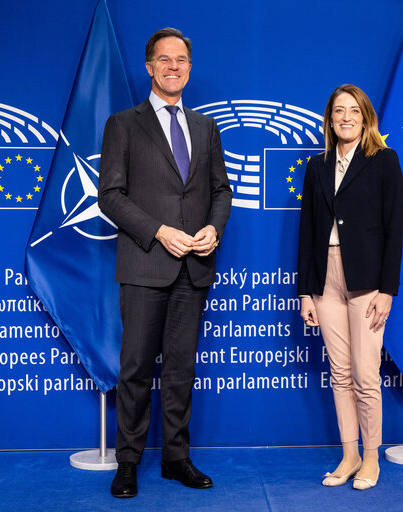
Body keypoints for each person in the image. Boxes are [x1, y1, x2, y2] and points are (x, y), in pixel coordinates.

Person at [98, 27, 232, 498]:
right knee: (135, 367)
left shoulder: (205, 126)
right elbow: (109, 197)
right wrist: (159, 231)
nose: (173, 67)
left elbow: (221, 190)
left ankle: (176, 458)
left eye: (181, 60)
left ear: (189, 69)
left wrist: (213, 228)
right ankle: (128, 462)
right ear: (150, 67)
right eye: (164, 60)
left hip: (193, 268)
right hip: (145, 265)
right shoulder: (124, 124)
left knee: (180, 369)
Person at [297, 84, 403, 490]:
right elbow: (307, 232)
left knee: (365, 373)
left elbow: (395, 230)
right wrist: (306, 291)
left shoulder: (384, 161)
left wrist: (387, 290)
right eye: (338, 111)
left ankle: (372, 459)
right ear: (330, 119)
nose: (345, 117)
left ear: (365, 118)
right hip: (325, 279)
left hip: (367, 282)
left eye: (353, 111)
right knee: (339, 373)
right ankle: (349, 454)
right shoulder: (316, 166)